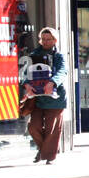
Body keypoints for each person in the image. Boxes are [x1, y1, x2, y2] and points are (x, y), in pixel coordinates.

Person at [22, 27, 68, 165]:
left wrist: (52, 83)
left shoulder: (59, 55)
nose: (46, 42)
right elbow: (24, 71)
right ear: (40, 40)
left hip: (55, 98)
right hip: (37, 98)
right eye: (43, 39)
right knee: (33, 126)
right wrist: (26, 84)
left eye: (49, 39)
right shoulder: (33, 54)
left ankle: (48, 156)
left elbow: (62, 71)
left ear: (55, 40)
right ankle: (44, 151)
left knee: (52, 128)